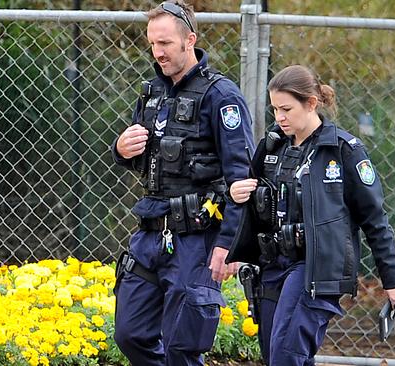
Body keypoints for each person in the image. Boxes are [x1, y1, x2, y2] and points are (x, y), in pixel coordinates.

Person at [226, 65, 395, 366]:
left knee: (286, 355)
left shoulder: (343, 151)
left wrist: (393, 280)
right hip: (273, 265)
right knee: (277, 354)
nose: (279, 117)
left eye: (287, 109)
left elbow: (375, 219)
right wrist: (235, 195)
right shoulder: (272, 147)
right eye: (274, 109)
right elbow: (251, 198)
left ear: (311, 103)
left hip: (314, 267)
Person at [110, 1, 255, 365]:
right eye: (153, 44)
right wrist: (121, 149)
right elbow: (145, 160)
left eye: (166, 44)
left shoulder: (221, 96)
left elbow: (243, 178)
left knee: (182, 346)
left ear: (190, 40)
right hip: (150, 233)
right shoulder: (150, 94)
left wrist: (230, 244)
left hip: (198, 238)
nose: (158, 52)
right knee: (130, 335)